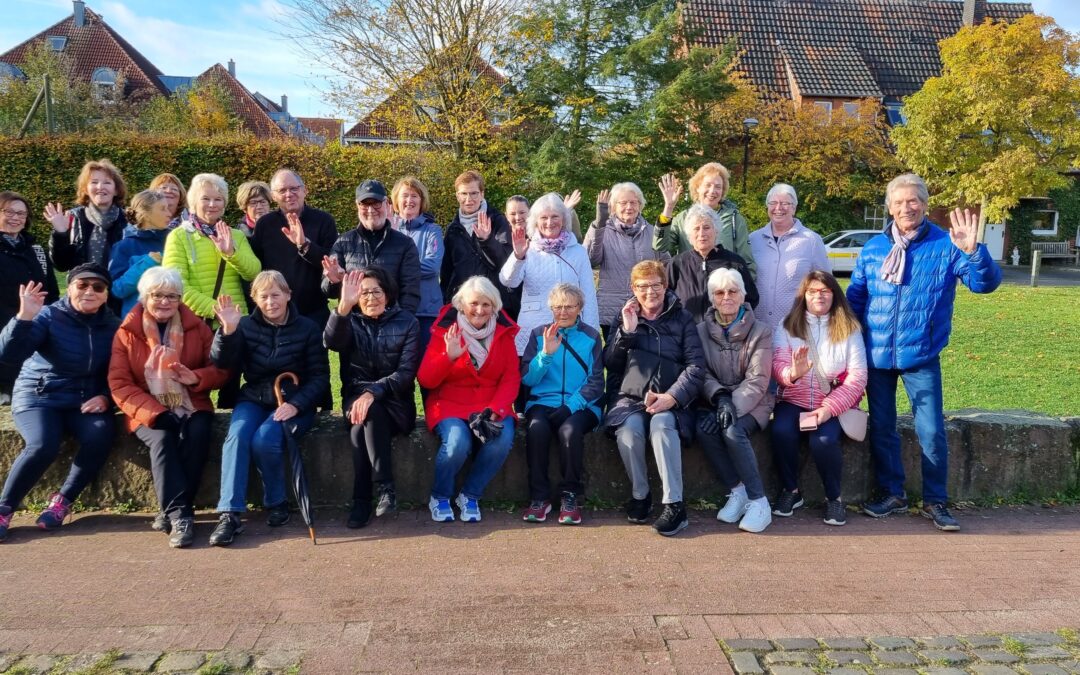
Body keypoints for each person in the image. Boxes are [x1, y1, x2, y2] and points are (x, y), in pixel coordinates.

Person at [849, 173, 1001, 531]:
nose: (906, 207)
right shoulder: (873, 248)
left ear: (925, 204)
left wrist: (973, 252)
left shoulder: (947, 244)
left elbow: (985, 285)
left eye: (913, 200)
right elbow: (856, 298)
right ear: (889, 207)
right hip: (878, 357)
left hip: (921, 355)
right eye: (899, 202)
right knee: (883, 428)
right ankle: (892, 494)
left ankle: (936, 501)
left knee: (931, 431)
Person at [108, 267, 230, 548]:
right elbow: (119, 384)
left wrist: (196, 377)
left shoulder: (197, 327)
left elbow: (220, 371)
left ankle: (172, 510)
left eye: (172, 296)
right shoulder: (127, 332)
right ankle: (181, 515)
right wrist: (157, 413)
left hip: (191, 401)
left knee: (197, 433)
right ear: (144, 297)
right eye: (158, 295)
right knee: (162, 439)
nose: (165, 302)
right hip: (145, 407)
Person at [207, 271, 329, 546]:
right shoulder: (245, 325)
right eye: (264, 296)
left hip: (295, 401)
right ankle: (230, 513)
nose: (271, 302)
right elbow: (221, 362)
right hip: (254, 397)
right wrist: (227, 332)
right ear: (254, 299)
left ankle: (277, 502)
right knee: (236, 438)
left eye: (276, 295)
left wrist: (296, 404)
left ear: (288, 295)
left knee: (265, 440)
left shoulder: (308, 328)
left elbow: (320, 376)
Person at [0, 264, 119, 542]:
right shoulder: (48, 315)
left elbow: (121, 371)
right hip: (39, 396)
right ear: (70, 288)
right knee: (43, 443)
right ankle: (5, 507)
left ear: (105, 295)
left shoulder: (113, 326)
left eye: (97, 287)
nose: (89, 291)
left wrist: (106, 396)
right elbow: (9, 354)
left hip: (85, 399)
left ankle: (63, 500)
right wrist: (23, 318)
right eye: (82, 285)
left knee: (101, 434)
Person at [604, 260, 704, 536]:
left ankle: (674, 505)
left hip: (671, 395)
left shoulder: (682, 318)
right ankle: (641, 496)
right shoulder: (623, 315)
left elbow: (696, 366)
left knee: (661, 427)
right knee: (630, 430)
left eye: (655, 285)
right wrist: (627, 332)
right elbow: (611, 364)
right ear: (633, 288)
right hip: (631, 396)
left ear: (665, 286)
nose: (650, 292)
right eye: (642, 286)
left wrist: (672, 397)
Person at [418, 276, 519, 523]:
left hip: (490, 404)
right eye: (474, 303)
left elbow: (510, 378)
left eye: (486, 305)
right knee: (456, 443)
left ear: (494, 307)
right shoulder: (445, 330)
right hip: (449, 403)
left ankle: (470, 494)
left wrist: (497, 407)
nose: (480, 310)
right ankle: (440, 496)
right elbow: (426, 380)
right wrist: (448, 357)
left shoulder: (504, 333)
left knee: (501, 439)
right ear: (462, 305)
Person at [325, 268, 420, 528]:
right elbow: (331, 342)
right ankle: (385, 488)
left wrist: (373, 392)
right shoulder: (350, 320)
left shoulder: (408, 322)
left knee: (361, 428)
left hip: (396, 403)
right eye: (363, 293)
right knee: (367, 415)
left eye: (376, 291)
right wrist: (343, 307)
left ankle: (362, 501)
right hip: (356, 399)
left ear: (387, 294)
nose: (370, 298)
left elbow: (405, 373)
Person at [771, 271, 867, 526]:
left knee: (823, 440)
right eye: (812, 291)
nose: (819, 296)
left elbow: (858, 377)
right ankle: (791, 491)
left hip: (832, 400)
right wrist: (793, 373)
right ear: (804, 296)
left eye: (824, 290)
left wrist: (828, 409)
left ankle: (834, 498)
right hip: (794, 398)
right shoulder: (787, 325)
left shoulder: (849, 327)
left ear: (834, 294)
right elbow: (778, 365)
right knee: (781, 431)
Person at [695, 268, 774, 533]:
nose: (726, 297)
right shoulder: (700, 331)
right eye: (719, 292)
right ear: (712, 298)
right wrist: (720, 400)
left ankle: (758, 500)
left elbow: (759, 379)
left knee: (731, 429)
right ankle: (736, 491)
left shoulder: (761, 331)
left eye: (733, 291)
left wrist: (731, 406)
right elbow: (701, 373)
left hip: (755, 402)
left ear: (742, 296)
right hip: (716, 400)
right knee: (702, 429)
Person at [519, 283, 604, 525]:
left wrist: (571, 407)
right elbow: (528, 379)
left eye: (569, 306)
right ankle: (539, 497)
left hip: (582, 405)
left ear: (580, 308)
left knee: (570, 430)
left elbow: (596, 381)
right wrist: (545, 354)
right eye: (557, 307)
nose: (563, 312)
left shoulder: (591, 337)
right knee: (537, 428)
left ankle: (570, 495)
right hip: (542, 401)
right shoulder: (538, 334)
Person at [500, 193, 599, 355]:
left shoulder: (578, 252)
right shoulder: (527, 249)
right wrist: (518, 257)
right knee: (532, 376)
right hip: (533, 328)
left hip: (570, 328)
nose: (549, 222)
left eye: (555, 216)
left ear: (564, 219)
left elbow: (588, 293)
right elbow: (508, 281)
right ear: (535, 221)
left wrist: (591, 333)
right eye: (543, 217)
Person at [162, 174, 262, 323]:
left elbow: (254, 272)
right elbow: (175, 285)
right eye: (205, 199)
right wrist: (218, 311)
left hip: (238, 322)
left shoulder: (236, 235)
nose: (212, 204)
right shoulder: (179, 236)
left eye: (218, 199)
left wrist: (231, 253)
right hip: (199, 324)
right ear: (194, 202)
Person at [583, 183, 669, 341]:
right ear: (613, 207)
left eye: (633, 202)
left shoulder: (651, 231)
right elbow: (589, 260)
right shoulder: (601, 229)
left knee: (642, 358)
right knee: (615, 358)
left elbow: (666, 264)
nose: (629, 207)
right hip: (612, 308)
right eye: (623, 203)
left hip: (646, 307)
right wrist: (599, 225)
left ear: (640, 205)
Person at [252, 170, 338, 326]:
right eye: (282, 190)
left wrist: (304, 244)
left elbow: (331, 262)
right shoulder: (265, 224)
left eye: (294, 188)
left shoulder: (324, 221)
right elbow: (256, 267)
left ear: (304, 190)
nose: (289, 194)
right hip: (275, 314)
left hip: (314, 313)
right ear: (273, 196)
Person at [321, 179, 421, 314]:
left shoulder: (405, 244)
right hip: (354, 325)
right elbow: (329, 292)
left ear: (386, 204)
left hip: (392, 325)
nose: (370, 210)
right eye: (364, 204)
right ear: (357, 205)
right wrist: (333, 282)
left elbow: (410, 292)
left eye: (376, 203)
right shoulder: (343, 242)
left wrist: (401, 324)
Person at [0, 192, 59, 404]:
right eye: (9, 212)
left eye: (21, 214)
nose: (15, 218)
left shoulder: (37, 251)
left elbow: (51, 290)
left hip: (35, 321)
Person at [748, 183, 830, 330]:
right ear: (767, 206)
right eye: (773, 203)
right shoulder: (753, 239)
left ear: (794, 207)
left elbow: (826, 283)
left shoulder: (811, 240)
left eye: (785, 203)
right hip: (757, 328)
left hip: (795, 328)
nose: (778, 208)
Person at [440, 170, 518, 318]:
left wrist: (487, 240)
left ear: (482, 194)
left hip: (494, 303)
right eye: (464, 194)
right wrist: (447, 299)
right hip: (464, 304)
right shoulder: (452, 229)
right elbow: (446, 272)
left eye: (474, 193)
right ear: (457, 195)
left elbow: (506, 263)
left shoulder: (497, 221)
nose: (469, 199)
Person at [653, 164, 755, 275]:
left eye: (718, 187)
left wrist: (744, 289)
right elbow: (659, 246)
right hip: (690, 285)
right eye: (708, 185)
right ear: (697, 187)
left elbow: (747, 263)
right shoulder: (683, 218)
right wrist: (668, 207)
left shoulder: (735, 220)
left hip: (723, 288)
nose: (712, 191)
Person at [668, 204, 758, 322]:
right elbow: (665, 299)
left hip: (724, 335)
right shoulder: (677, 263)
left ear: (716, 231)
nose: (701, 234)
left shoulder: (735, 263)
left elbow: (751, 299)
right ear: (689, 234)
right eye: (696, 228)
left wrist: (735, 325)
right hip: (685, 334)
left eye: (706, 227)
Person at [45, 159, 128, 273]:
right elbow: (61, 265)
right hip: (82, 287)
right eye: (94, 182)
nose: (100, 187)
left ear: (116, 190)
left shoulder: (128, 220)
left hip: (120, 287)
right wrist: (60, 234)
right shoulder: (72, 218)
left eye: (107, 182)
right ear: (85, 189)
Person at [390, 176, 443, 355]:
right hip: (395, 310)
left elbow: (433, 265)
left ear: (422, 201)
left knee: (426, 367)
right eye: (405, 195)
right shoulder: (389, 230)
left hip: (426, 311)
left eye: (414, 196)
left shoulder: (433, 231)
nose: (409, 200)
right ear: (396, 200)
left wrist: (398, 268)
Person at [109, 189, 172, 318]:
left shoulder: (174, 240)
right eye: (163, 209)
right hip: (137, 324)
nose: (169, 213)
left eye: (168, 208)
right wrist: (146, 264)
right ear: (146, 214)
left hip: (173, 321)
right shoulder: (124, 246)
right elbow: (117, 289)